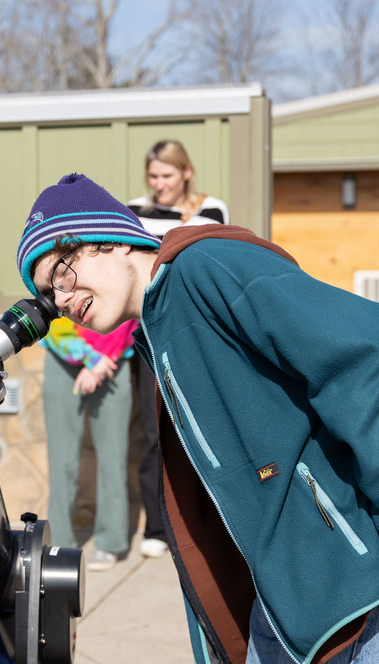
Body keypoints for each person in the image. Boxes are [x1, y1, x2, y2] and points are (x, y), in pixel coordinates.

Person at [16, 173, 379, 664]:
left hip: (348, 583)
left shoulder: (206, 267)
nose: (62, 299)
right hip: (286, 594)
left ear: (112, 238)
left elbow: (361, 357)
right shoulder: (158, 326)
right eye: (49, 294)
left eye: (61, 271)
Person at [127, 139, 230, 560]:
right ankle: (156, 527)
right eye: (153, 176)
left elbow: (211, 265)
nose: (159, 184)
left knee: (200, 426)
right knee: (154, 433)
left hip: (194, 334)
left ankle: (207, 523)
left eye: (167, 175)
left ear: (186, 172)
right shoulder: (134, 211)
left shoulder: (212, 210)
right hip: (148, 335)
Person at [40, 316, 136, 572]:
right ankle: (59, 543)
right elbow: (50, 314)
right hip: (61, 358)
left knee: (113, 457)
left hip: (113, 358)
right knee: (61, 459)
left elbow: (127, 314)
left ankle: (110, 542)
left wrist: (99, 360)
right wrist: (89, 358)